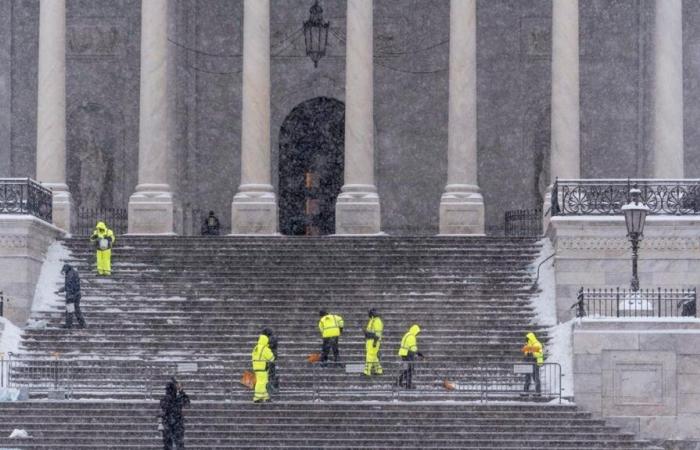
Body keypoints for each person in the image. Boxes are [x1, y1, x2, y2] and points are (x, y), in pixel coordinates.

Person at [159, 377, 190, 450]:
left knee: (168, 445)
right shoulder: (178, 399)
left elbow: (163, 408)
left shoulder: (164, 399)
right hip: (177, 423)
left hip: (168, 423)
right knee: (179, 444)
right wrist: (181, 391)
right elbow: (187, 402)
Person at [56, 264, 86, 329]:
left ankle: (68, 325)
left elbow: (69, 286)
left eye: (64, 271)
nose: (64, 273)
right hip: (77, 295)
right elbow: (69, 286)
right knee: (76, 310)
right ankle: (82, 324)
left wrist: (70, 295)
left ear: (66, 269)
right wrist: (60, 290)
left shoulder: (69, 275)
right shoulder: (73, 273)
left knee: (69, 310)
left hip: (72, 295)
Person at [397, 324, 422, 389]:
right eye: (417, 332)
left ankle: (399, 381)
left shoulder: (407, 334)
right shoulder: (411, 336)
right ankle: (408, 385)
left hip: (404, 353)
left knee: (408, 369)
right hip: (408, 354)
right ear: (415, 331)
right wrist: (419, 353)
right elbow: (413, 347)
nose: (417, 334)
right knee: (410, 369)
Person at [252, 333, 275, 403]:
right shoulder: (264, 348)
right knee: (261, 382)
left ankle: (266, 397)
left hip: (256, 367)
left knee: (264, 382)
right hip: (262, 367)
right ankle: (257, 398)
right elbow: (271, 358)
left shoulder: (256, 347)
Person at [363, 308, 383, 376]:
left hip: (374, 341)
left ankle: (367, 372)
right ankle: (379, 370)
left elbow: (377, 334)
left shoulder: (377, 321)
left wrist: (375, 342)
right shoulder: (372, 320)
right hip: (370, 340)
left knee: (369, 355)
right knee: (373, 356)